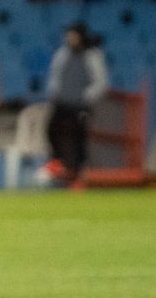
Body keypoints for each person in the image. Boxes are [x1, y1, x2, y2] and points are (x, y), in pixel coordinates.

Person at [42, 22, 108, 187]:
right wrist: (55, 93)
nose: (70, 39)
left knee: (78, 139)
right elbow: (55, 76)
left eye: (73, 35)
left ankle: (77, 175)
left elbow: (101, 82)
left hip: (80, 105)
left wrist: (85, 97)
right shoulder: (63, 54)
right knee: (51, 130)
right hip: (62, 102)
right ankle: (58, 164)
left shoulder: (92, 55)